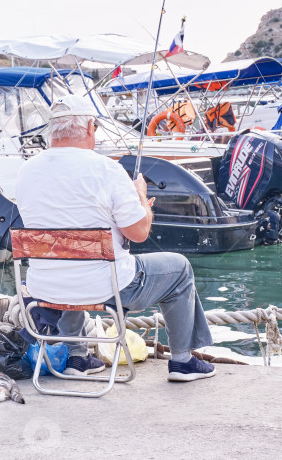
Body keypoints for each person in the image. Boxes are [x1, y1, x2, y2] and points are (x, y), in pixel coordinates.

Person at [15, 95, 216, 382]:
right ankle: (183, 361)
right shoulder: (107, 170)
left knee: (74, 267)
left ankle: (77, 356)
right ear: (88, 128)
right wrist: (142, 199)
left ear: (53, 130)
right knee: (180, 268)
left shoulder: (26, 171)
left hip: (46, 290)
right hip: (105, 287)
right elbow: (139, 232)